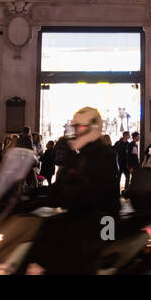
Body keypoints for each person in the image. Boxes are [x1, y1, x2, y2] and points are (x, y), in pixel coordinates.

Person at [31, 107, 120, 273]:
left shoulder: (105, 155)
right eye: (75, 127)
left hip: (104, 220)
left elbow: (100, 190)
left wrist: (70, 196)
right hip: (83, 213)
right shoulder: (80, 156)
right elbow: (62, 185)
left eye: (80, 127)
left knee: (73, 252)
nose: (76, 132)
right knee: (43, 231)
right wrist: (32, 196)